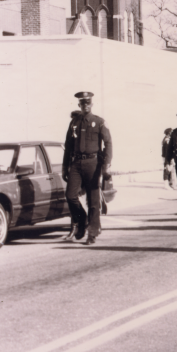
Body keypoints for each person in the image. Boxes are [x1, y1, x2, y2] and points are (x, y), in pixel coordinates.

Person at [62, 92, 112, 245]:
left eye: (88, 103)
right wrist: (65, 166)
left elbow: (108, 143)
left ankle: (92, 232)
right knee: (70, 195)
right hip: (76, 163)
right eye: (82, 103)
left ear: (91, 104)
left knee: (93, 199)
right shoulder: (74, 123)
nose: (85, 106)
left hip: (93, 163)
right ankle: (82, 220)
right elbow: (68, 145)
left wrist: (106, 165)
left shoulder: (99, 122)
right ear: (79, 105)